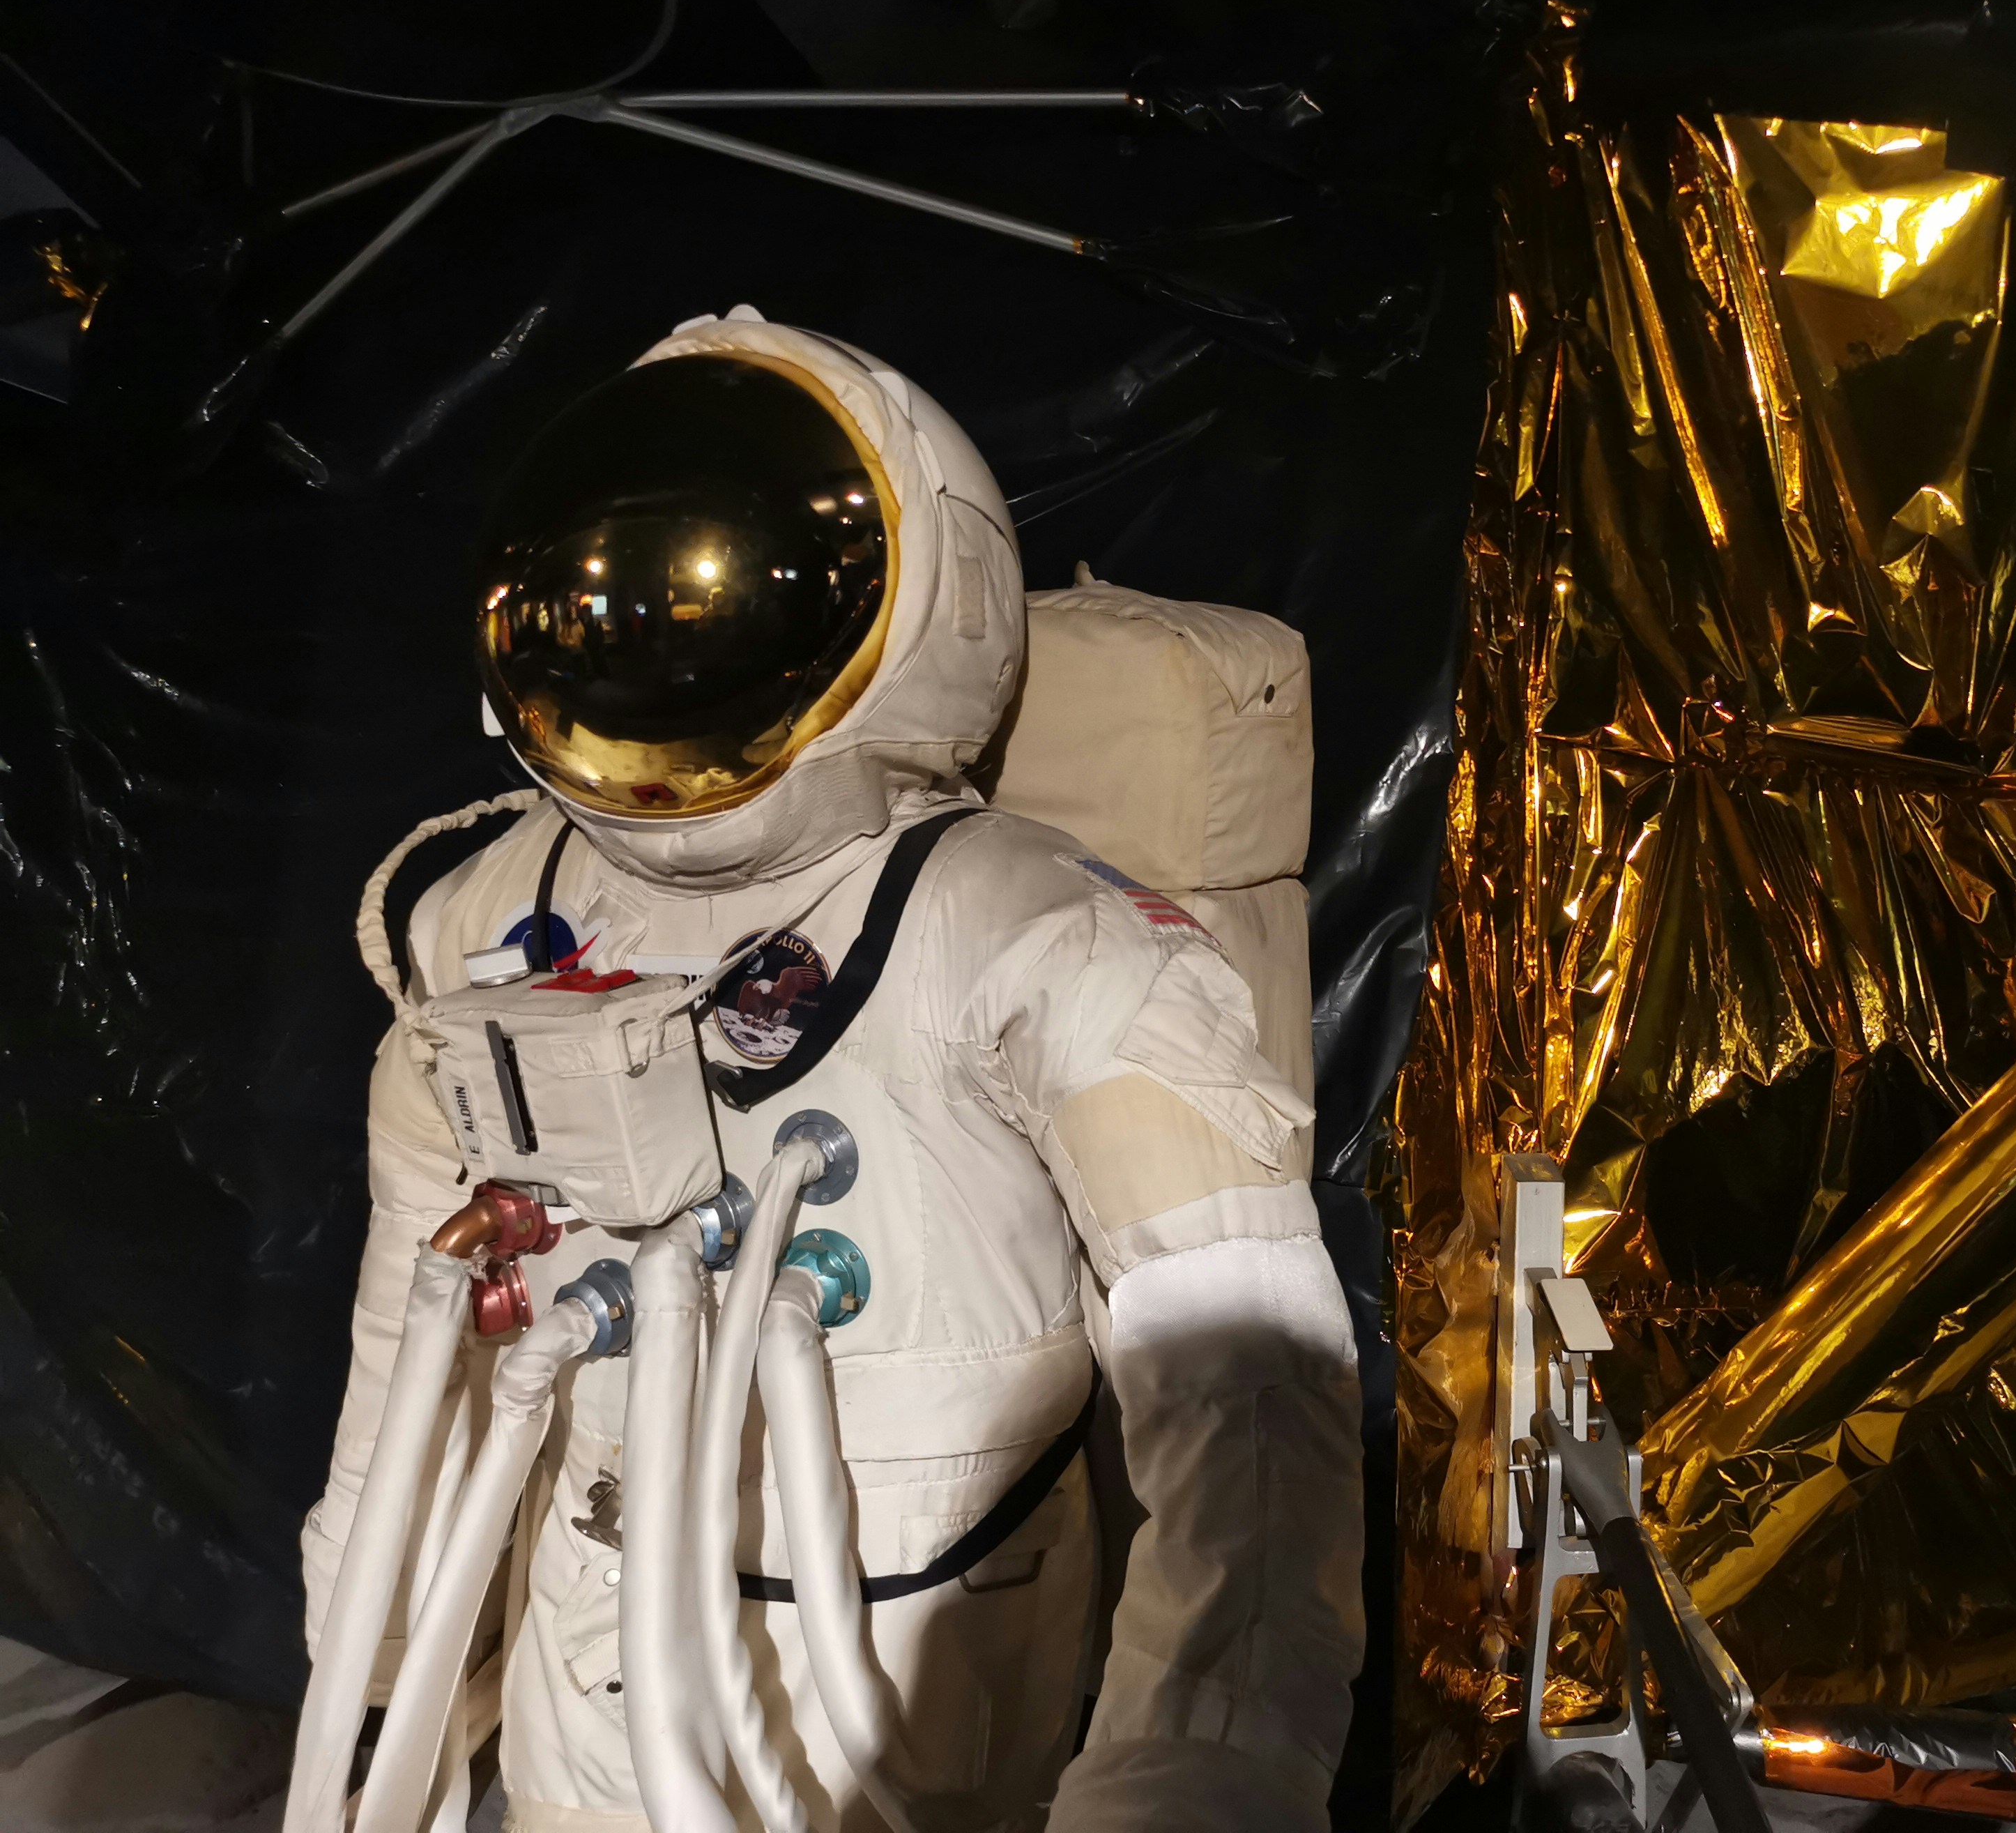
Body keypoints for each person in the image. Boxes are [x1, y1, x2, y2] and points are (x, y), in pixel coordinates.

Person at [300, 310, 1364, 1832]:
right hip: (590, 1640)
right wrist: (385, 1653)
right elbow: (419, 1335)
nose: (661, 639)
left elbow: (1248, 1412)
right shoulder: (491, 924)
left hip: (901, 1662)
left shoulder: (1033, 938)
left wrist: (1194, 1781)